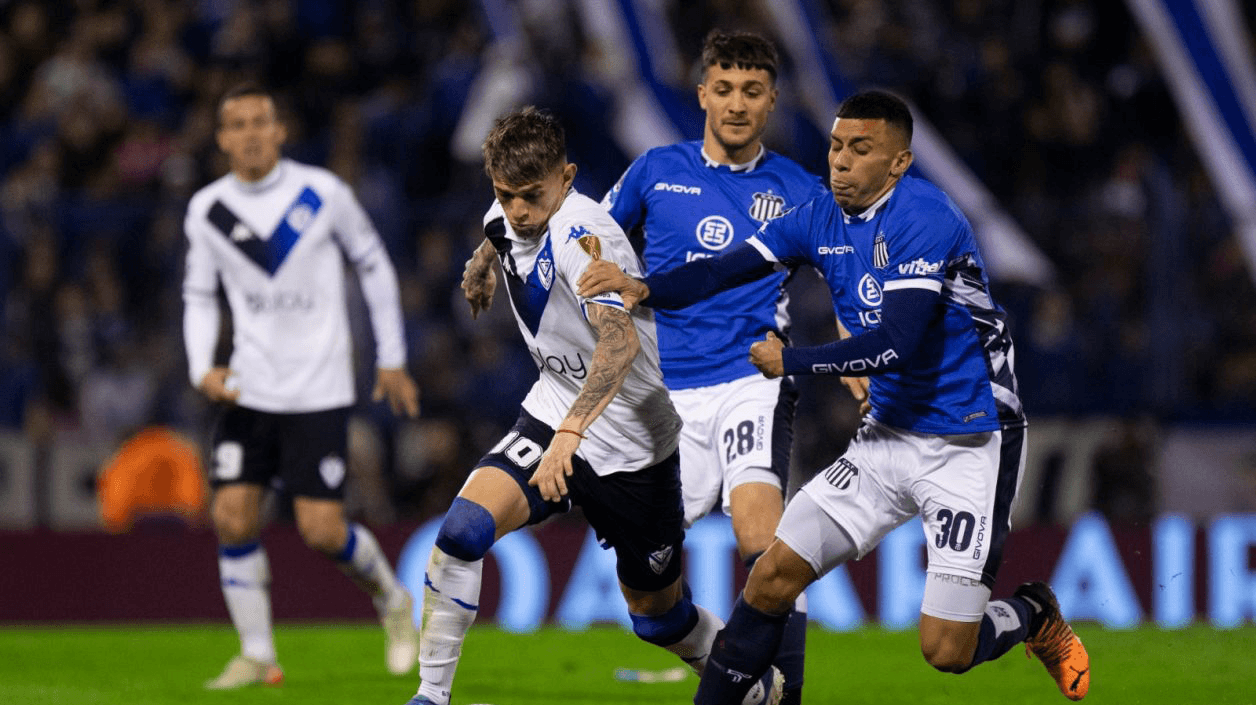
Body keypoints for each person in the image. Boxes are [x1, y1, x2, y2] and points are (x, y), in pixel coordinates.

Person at [578, 90, 1091, 702]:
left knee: (946, 650)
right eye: (836, 145)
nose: (840, 161)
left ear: (898, 163)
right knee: (770, 577)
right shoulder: (818, 215)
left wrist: (789, 360)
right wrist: (642, 287)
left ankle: (1033, 613)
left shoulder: (924, 218)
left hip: (969, 438)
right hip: (886, 437)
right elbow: (722, 268)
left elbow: (896, 342)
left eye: (861, 149)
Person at [406, 106, 781, 705]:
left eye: (533, 196)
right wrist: (479, 267)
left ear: (569, 177)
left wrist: (569, 438)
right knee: (462, 532)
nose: (520, 211)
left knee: (657, 618)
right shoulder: (505, 216)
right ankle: (430, 695)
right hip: (557, 407)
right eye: (507, 195)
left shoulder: (587, 239)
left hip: (633, 443)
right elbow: (495, 230)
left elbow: (619, 341)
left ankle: (757, 683)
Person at [183, 82, 422, 690]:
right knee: (232, 518)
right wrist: (199, 366)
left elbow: (372, 262)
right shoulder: (208, 208)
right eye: (236, 124)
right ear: (221, 139)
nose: (250, 133)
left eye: (260, 120)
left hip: (317, 389)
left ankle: (393, 601)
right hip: (248, 388)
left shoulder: (322, 194)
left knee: (321, 531)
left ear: (280, 129)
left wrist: (391, 357)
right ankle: (258, 653)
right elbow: (199, 294)